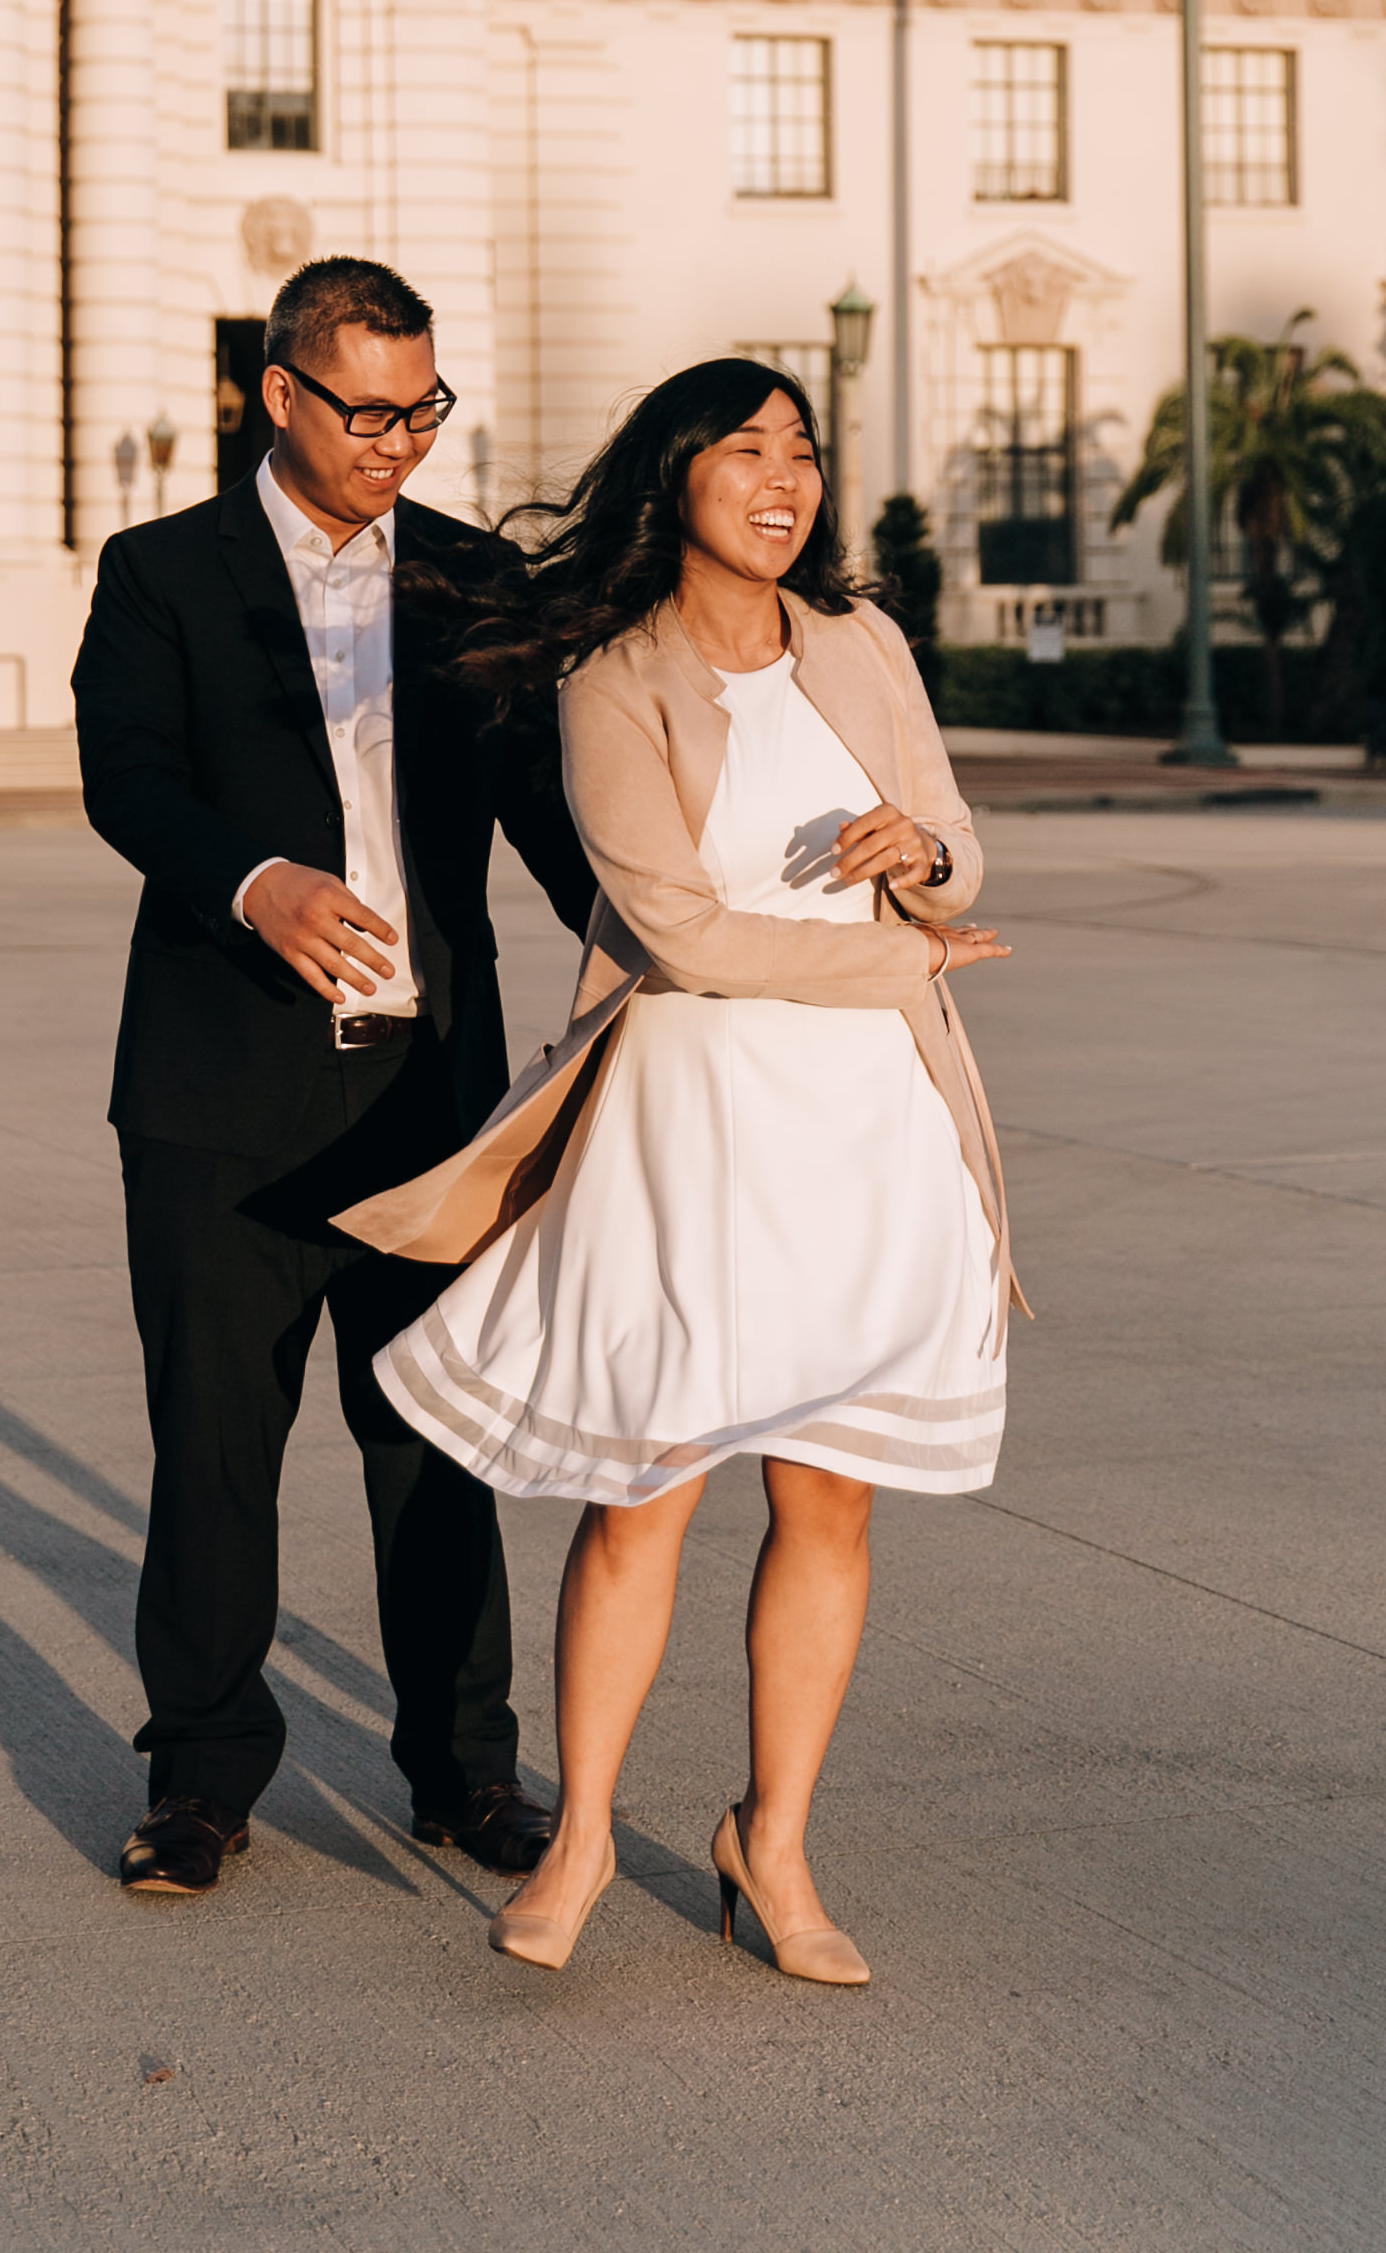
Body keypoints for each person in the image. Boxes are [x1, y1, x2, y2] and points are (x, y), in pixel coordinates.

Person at [340, 359, 1023, 1979]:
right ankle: (578, 1840)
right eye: (746, 447)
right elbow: (672, 927)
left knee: (829, 1500)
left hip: (869, 1127)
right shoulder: (610, 673)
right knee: (640, 1494)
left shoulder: (860, 643)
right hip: (694, 1123)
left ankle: (770, 1846)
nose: (783, 476)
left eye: (802, 449)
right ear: (675, 479)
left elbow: (953, 833)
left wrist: (920, 861)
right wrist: (897, 961)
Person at [72, 255, 596, 1903]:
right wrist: (256, 882)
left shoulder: (466, 581)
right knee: (213, 1444)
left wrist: (663, 945)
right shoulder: (163, 570)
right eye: (366, 411)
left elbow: (548, 822)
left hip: (427, 1096)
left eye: (423, 409)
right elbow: (128, 777)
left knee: (436, 1442)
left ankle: (464, 1775)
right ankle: (202, 1779)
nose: (399, 442)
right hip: (217, 1091)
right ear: (276, 393)